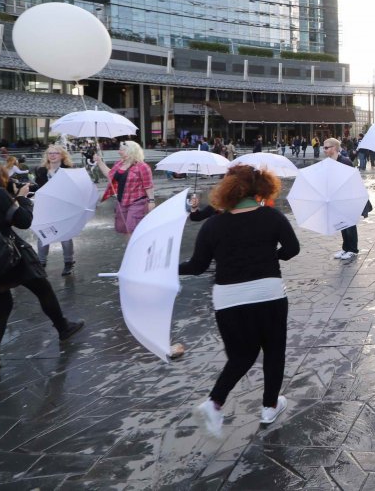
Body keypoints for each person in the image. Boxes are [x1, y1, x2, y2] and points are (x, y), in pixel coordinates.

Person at [179, 165, 300, 436]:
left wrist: (167, 268)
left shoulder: (213, 224)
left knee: (242, 355)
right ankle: (270, 406)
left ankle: (214, 402)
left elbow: (197, 266)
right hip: (267, 293)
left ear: (227, 188)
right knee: (274, 350)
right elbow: (292, 249)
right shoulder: (272, 216)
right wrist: (271, 257)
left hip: (228, 298)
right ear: (261, 187)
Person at [0, 164, 84, 373]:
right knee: (43, 289)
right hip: (12, 256)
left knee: (1, 307)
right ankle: (63, 327)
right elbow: (24, 221)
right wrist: (21, 198)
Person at [94, 141, 156, 237]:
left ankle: (135, 250)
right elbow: (110, 175)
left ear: (130, 151)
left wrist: (151, 201)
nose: (119, 152)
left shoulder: (142, 167)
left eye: (121, 150)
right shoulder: (119, 163)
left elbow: (148, 185)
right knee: (124, 229)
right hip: (122, 201)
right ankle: (132, 249)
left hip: (137, 201)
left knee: (132, 229)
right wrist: (99, 162)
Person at [34, 145, 77, 276]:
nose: (52, 155)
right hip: (46, 207)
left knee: (65, 237)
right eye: (50, 153)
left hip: (63, 207)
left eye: (55, 153)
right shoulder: (41, 171)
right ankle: (41, 263)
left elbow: (73, 189)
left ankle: (68, 263)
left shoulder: (68, 170)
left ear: (62, 155)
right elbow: (37, 188)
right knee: (43, 235)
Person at [323, 138, 361, 259]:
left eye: (326, 147)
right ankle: (345, 248)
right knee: (342, 225)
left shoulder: (345, 161)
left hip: (347, 199)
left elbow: (350, 181)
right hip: (336, 198)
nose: (324, 150)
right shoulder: (329, 162)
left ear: (334, 148)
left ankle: (353, 249)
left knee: (349, 225)